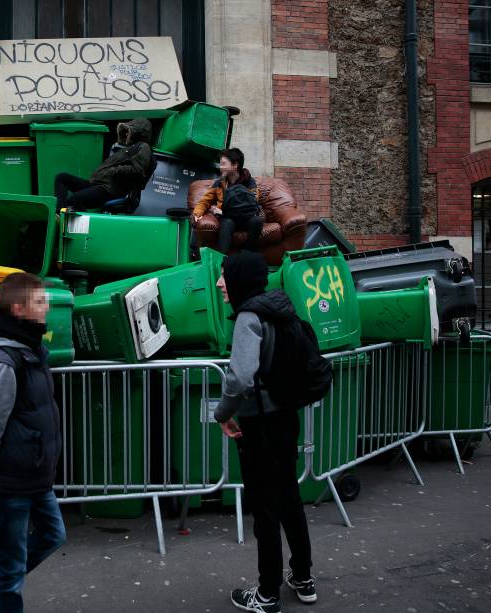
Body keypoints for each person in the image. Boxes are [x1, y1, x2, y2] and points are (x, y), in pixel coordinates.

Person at [214, 251, 316, 613]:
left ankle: (267, 592)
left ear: (239, 278)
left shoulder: (249, 316)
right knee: (289, 497)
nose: (219, 283)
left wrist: (222, 413)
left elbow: (240, 376)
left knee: (265, 507)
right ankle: (303, 578)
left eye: (224, 275)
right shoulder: (280, 308)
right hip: (286, 418)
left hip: (260, 424)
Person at [0, 272, 66, 613]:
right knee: (11, 571)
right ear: (19, 309)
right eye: (39, 301)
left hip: (35, 476)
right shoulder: (5, 362)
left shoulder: (32, 350)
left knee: (53, 536)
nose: (47, 305)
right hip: (8, 484)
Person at [54, 117, 154, 212]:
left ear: (138, 132)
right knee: (61, 178)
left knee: (73, 201)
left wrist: (113, 171)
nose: (127, 134)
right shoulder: (127, 147)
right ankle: (58, 212)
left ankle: (80, 226)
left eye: (129, 131)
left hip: (109, 189)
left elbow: (138, 170)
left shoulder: (143, 147)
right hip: (97, 184)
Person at [191, 147, 265, 254]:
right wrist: (196, 214)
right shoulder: (219, 183)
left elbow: (253, 202)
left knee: (257, 221)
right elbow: (205, 201)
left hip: (246, 217)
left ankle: (247, 253)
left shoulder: (249, 181)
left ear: (235, 165)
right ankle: (221, 261)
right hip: (229, 218)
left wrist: (222, 210)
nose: (220, 167)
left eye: (224, 164)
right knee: (227, 223)